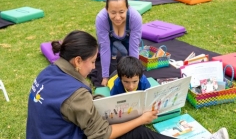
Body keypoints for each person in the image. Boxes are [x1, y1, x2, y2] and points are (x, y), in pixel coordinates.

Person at [26, 30, 177, 139]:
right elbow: (102, 134)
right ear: (78, 61)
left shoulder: (47, 72)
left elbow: (77, 104)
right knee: (136, 131)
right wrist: (141, 119)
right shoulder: (76, 94)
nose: (93, 67)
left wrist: (107, 102)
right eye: (92, 61)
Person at [95, 0, 142, 87]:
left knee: (130, 55)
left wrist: (135, 75)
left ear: (127, 8)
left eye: (121, 12)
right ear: (106, 9)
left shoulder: (135, 17)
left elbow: (134, 49)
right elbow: (104, 48)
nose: (117, 17)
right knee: (108, 55)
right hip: (109, 42)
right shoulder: (101, 19)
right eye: (113, 12)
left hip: (128, 40)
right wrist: (105, 77)